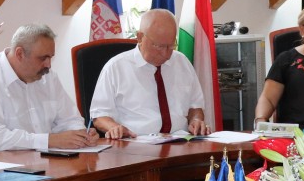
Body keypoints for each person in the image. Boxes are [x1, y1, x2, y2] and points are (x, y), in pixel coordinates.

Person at [0, 24, 94, 154]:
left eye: (50, 57)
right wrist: (49, 140)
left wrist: (81, 135)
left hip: (38, 160)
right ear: (20, 54)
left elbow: (69, 119)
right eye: (43, 58)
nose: (48, 65)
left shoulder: (48, 77)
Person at [90, 9, 212, 139]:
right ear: (140, 37)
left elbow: (195, 106)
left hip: (180, 140)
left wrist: (196, 120)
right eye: (159, 46)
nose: (166, 54)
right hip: (136, 142)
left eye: (171, 46)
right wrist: (114, 127)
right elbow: (99, 115)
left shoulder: (182, 62)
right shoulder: (116, 67)